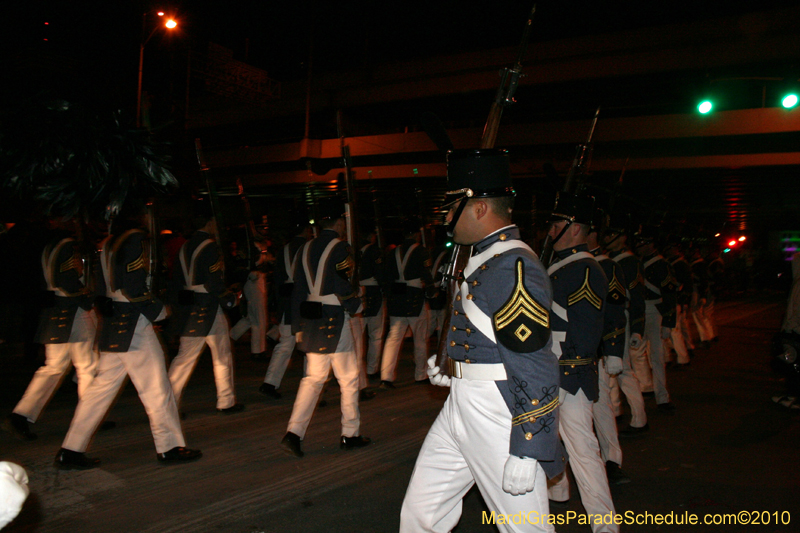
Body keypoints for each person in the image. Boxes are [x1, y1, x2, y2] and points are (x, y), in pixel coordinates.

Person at [401, 149, 563, 533]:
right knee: (421, 515)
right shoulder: (484, 258)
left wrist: (528, 445)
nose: (444, 216)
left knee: (524, 528)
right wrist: (454, 364)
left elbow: (535, 360)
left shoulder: (512, 264)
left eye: (453, 206)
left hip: (497, 410)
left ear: (478, 208)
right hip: (461, 402)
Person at [55, 205, 200, 469]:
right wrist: (159, 312)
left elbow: (101, 286)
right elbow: (134, 286)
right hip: (134, 323)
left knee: (99, 392)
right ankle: (169, 447)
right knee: (158, 390)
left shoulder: (109, 243)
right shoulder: (135, 240)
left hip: (114, 324)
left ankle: (71, 449)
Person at [544, 193, 618, 533]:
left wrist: (564, 377)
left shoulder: (585, 269)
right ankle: (557, 494)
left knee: (584, 451)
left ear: (574, 230)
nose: (550, 231)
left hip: (566, 373)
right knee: (547, 443)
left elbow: (585, 333)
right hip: (550, 367)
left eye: (557, 225)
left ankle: (605, 524)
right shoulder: (565, 266)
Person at [279, 198, 371, 458]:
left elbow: (298, 289)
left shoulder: (305, 248)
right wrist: (355, 306)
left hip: (310, 320)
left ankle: (294, 433)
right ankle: (349, 433)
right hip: (333, 319)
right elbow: (342, 285)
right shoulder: (342, 248)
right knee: (349, 378)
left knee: (313, 378)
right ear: (340, 222)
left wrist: (297, 324)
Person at [4, 224, 98, 441]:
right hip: (73, 310)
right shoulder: (68, 246)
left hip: (56, 311)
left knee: (54, 367)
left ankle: (21, 415)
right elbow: (67, 281)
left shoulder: (50, 247)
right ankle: (90, 416)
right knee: (87, 366)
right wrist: (87, 299)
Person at [168, 207, 244, 414]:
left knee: (184, 359)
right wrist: (229, 299)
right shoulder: (210, 247)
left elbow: (176, 281)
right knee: (221, 356)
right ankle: (226, 401)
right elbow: (214, 281)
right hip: (209, 306)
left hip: (189, 306)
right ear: (209, 223)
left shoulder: (184, 248)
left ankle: (168, 403)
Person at [586, 213, 631, 486]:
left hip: (595, 350)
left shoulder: (606, 266)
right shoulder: (561, 263)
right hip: (563, 351)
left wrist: (612, 348)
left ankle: (612, 459)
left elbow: (613, 310)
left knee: (601, 406)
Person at [603, 213, 649, 436]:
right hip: (609, 317)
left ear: (622, 238)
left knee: (624, 371)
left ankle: (639, 419)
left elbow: (636, 297)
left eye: (612, 234)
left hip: (621, 317)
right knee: (609, 371)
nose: (608, 238)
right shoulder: (609, 259)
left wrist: (638, 329)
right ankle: (615, 411)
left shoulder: (629, 262)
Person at [259, 215, 311, 399]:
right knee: (308, 347)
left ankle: (270, 382)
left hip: (287, 303)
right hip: (305, 303)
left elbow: (278, 281)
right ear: (306, 230)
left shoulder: (283, 250)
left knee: (285, 344)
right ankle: (310, 389)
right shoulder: (309, 248)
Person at [380, 217, 433, 387]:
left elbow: (387, 277)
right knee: (420, 338)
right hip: (415, 298)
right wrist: (432, 290)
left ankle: (386, 376)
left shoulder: (393, 252)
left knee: (393, 339)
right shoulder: (421, 251)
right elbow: (426, 274)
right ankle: (420, 374)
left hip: (397, 299)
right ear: (417, 234)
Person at [634, 225, 678, 414]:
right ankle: (646, 386)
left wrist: (668, 321)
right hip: (640, 310)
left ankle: (662, 397)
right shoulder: (637, 262)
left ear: (651, 245)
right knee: (636, 353)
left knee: (657, 357)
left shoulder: (661, 264)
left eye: (643, 243)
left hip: (654, 309)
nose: (639, 246)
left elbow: (670, 293)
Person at [351, 225, 385, 400]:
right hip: (372, 291)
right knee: (376, 335)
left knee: (359, 337)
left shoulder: (354, 252)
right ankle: (372, 369)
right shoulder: (374, 251)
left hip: (358, 292)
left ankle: (361, 373)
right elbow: (379, 273)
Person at [230, 231, 273, 360]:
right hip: (254, 282)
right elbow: (245, 267)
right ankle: (258, 350)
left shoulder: (253, 247)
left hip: (256, 281)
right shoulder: (251, 248)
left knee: (253, 316)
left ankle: (231, 335)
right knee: (259, 318)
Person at [664, 239, 694, 367]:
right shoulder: (668, 262)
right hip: (667, 300)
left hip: (675, 300)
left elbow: (687, 284)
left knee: (675, 330)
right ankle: (668, 357)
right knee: (671, 331)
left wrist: (684, 300)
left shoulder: (681, 264)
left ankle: (683, 358)